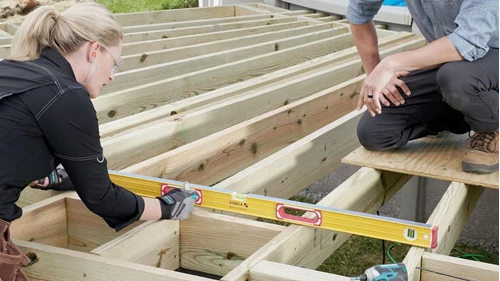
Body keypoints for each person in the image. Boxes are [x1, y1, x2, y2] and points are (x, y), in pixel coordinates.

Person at [0, 3, 196, 280]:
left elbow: (12, 140)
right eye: (115, 62)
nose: (113, 75)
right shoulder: (66, 95)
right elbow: (102, 198)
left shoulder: (10, 70)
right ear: (94, 51)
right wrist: (165, 207)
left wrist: (46, 176)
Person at [347, 0, 499, 174]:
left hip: (489, 57)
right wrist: (376, 73)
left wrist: (390, 64)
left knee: (456, 78)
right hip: (450, 66)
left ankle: (492, 128)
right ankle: (469, 112)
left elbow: (469, 41)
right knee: (375, 132)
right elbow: (359, 11)